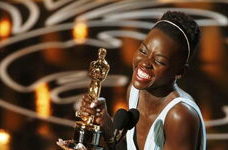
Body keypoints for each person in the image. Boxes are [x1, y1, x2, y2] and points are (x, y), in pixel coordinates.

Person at [79, 11, 206, 150]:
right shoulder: (135, 91)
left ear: (180, 71)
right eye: (143, 51)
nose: (145, 63)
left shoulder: (180, 116)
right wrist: (105, 122)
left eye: (159, 61)